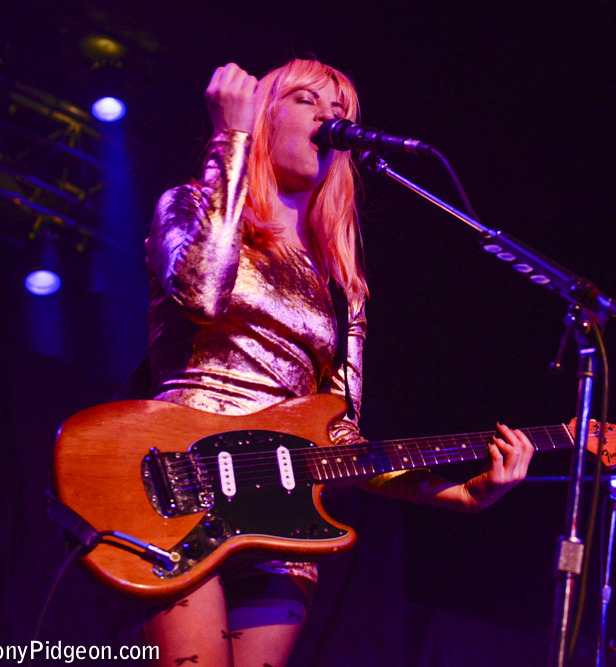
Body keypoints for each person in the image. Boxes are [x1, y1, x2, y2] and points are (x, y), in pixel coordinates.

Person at [141, 58, 535, 667]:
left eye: (342, 113)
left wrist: (456, 493)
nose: (331, 119)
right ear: (264, 115)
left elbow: (340, 436)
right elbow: (201, 293)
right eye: (307, 101)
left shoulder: (340, 284)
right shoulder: (190, 205)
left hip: (283, 518)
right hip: (179, 481)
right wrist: (231, 140)